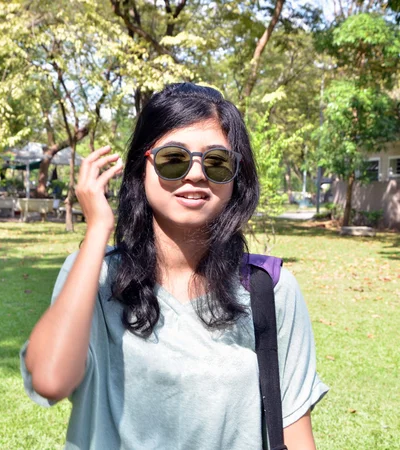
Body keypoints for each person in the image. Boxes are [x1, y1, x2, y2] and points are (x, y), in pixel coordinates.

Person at [20, 83, 328, 449]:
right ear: (141, 168)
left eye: (217, 162)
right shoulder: (94, 276)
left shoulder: (269, 289)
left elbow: (295, 433)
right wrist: (99, 228)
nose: (196, 174)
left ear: (236, 178)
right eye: (173, 158)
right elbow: (50, 380)